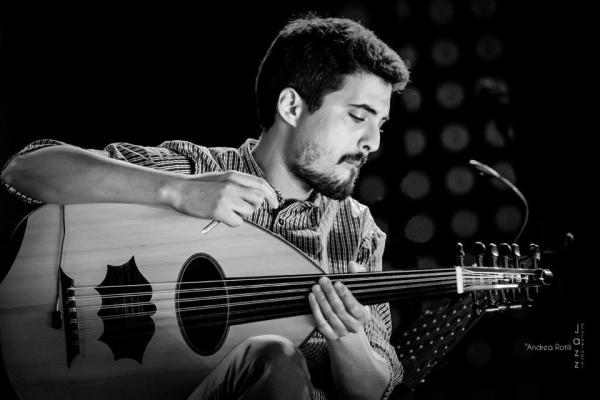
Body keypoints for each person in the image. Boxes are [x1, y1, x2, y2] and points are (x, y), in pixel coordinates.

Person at [1, 15, 409, 400]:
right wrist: (176, 191)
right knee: (273, 356)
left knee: (275, 357)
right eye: (359, 117)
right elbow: (27, 170)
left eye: (381, 125)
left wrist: (347, 334)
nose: (373, 141)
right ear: (290, 107)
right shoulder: (200, 170)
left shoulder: (357, 231)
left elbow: (372, 391)